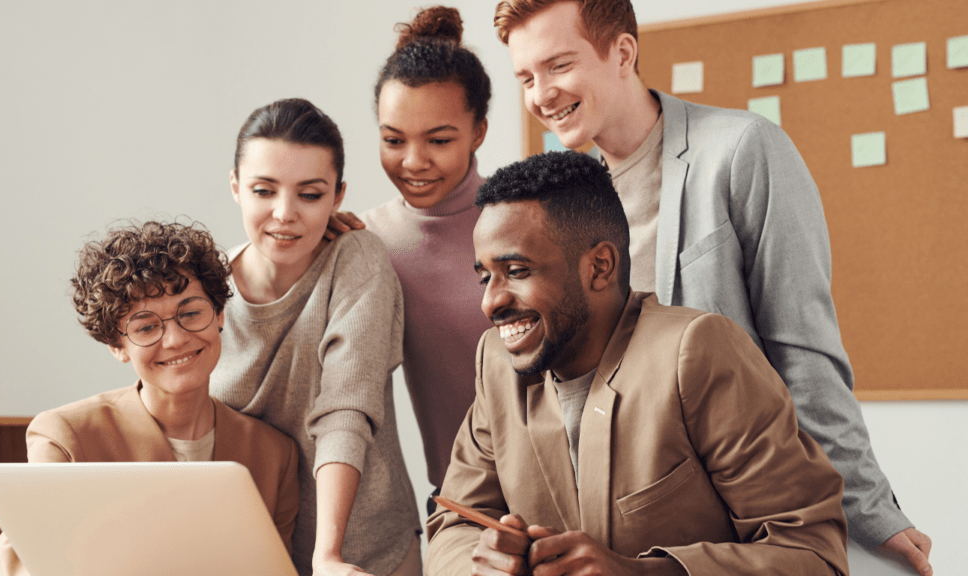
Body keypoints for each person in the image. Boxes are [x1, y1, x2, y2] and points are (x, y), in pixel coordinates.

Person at [493, 1, 932, 574]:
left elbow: (804, 352)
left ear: (622, 53)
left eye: (558, 66)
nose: (542, 94)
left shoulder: (742, 150)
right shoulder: (562, 206)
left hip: (747, 516)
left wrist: (871, 512)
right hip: (625, 529)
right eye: (526, 77)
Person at [425, 151, 849, 576]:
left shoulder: (696, 353)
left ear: (599, 266)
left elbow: (813, 556)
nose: (490, 301)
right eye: (485, 277)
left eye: (516, 271)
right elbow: (452, 522)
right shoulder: (497, 362)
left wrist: (640, 573)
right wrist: (482, 564)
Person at [0, 221, 301, 576]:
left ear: (218, 315)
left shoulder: (274, 453)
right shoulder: (65, 435)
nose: (174, 340)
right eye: (145, 326)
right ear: (116, 346)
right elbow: (23, 557)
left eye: (190, 313)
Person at [208, 98, 420, 576]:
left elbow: (346, 406)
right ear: (236, 188)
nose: (285, 214)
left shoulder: (356, 259)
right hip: (250, 555)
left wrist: (329, 556)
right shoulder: (205, 286)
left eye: (309, 195)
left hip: (364, 552)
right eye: (265, 191)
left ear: (337, 196)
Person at [360, 5, 493, 513]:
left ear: (478, 131)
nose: (412, 162)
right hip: (461, 504)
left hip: (570, 492)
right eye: (393, 140)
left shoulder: (525, 219)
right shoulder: (368, 239)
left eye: (438, 140)